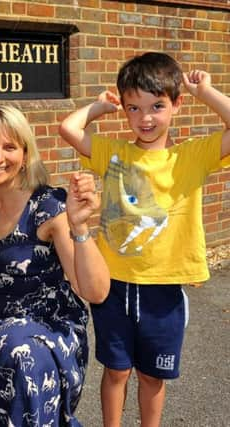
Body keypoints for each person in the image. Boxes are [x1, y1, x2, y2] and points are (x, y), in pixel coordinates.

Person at [58, 52, 230, 427]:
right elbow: (69, 129)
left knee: (153, 375)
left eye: (156, 106)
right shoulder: (114, 152)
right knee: (116, 370)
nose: (145, 118)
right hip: (113, 283)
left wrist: (208, 92)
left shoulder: (192, 155)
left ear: (176, 104)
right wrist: (98, 107)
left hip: (163, 289)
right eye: (133, 108)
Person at [0, 105, 110, 426]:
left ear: (25, 152)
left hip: (46, 325)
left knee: (22, 355)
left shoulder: (48, 205)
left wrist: (79, 227)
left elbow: (96, 291)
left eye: (9, 147)